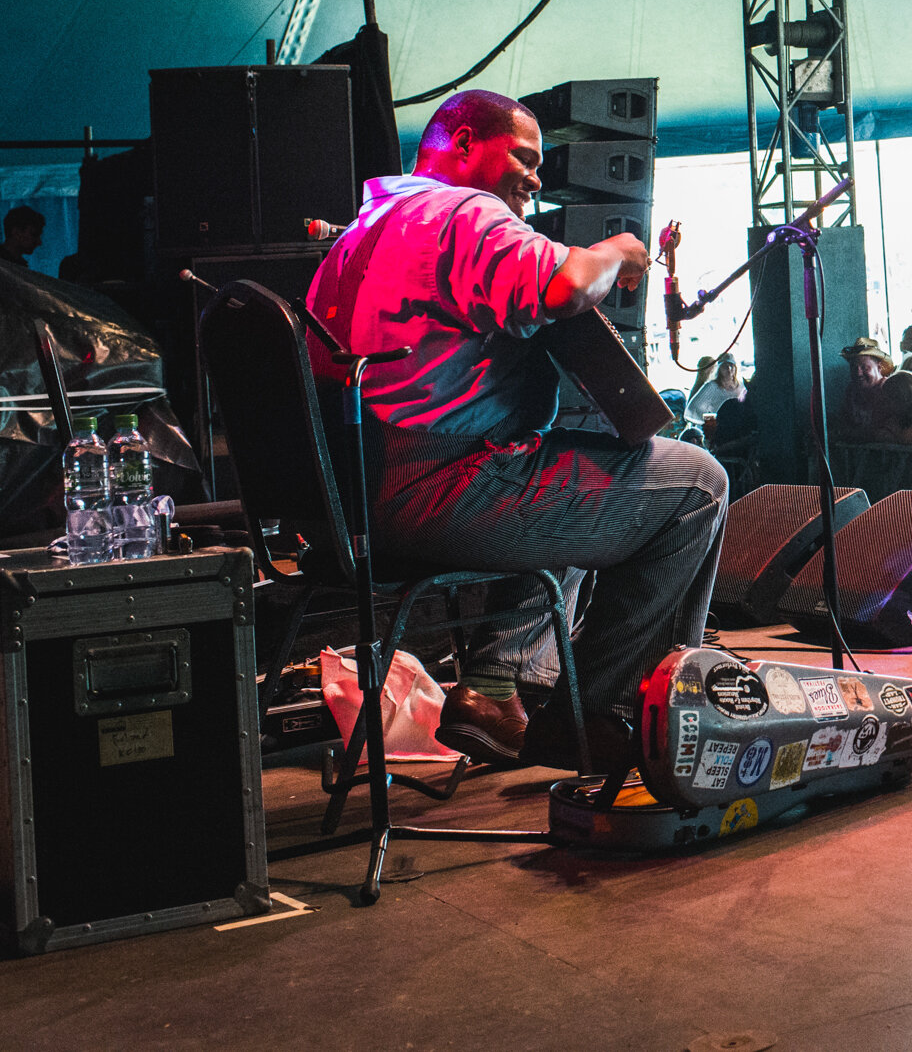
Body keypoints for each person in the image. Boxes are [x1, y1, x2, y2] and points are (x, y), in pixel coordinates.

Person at [303, 89, 725, 774]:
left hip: (353, 503)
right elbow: (565, 286)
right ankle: (607, 716)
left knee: (573, 469)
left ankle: (500, 688)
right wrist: (619, 247)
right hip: (434, 490)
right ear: (464, 142)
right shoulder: (462, 210)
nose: (534, 177)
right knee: (697, 484)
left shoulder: (364, 230)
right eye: (523, 158)